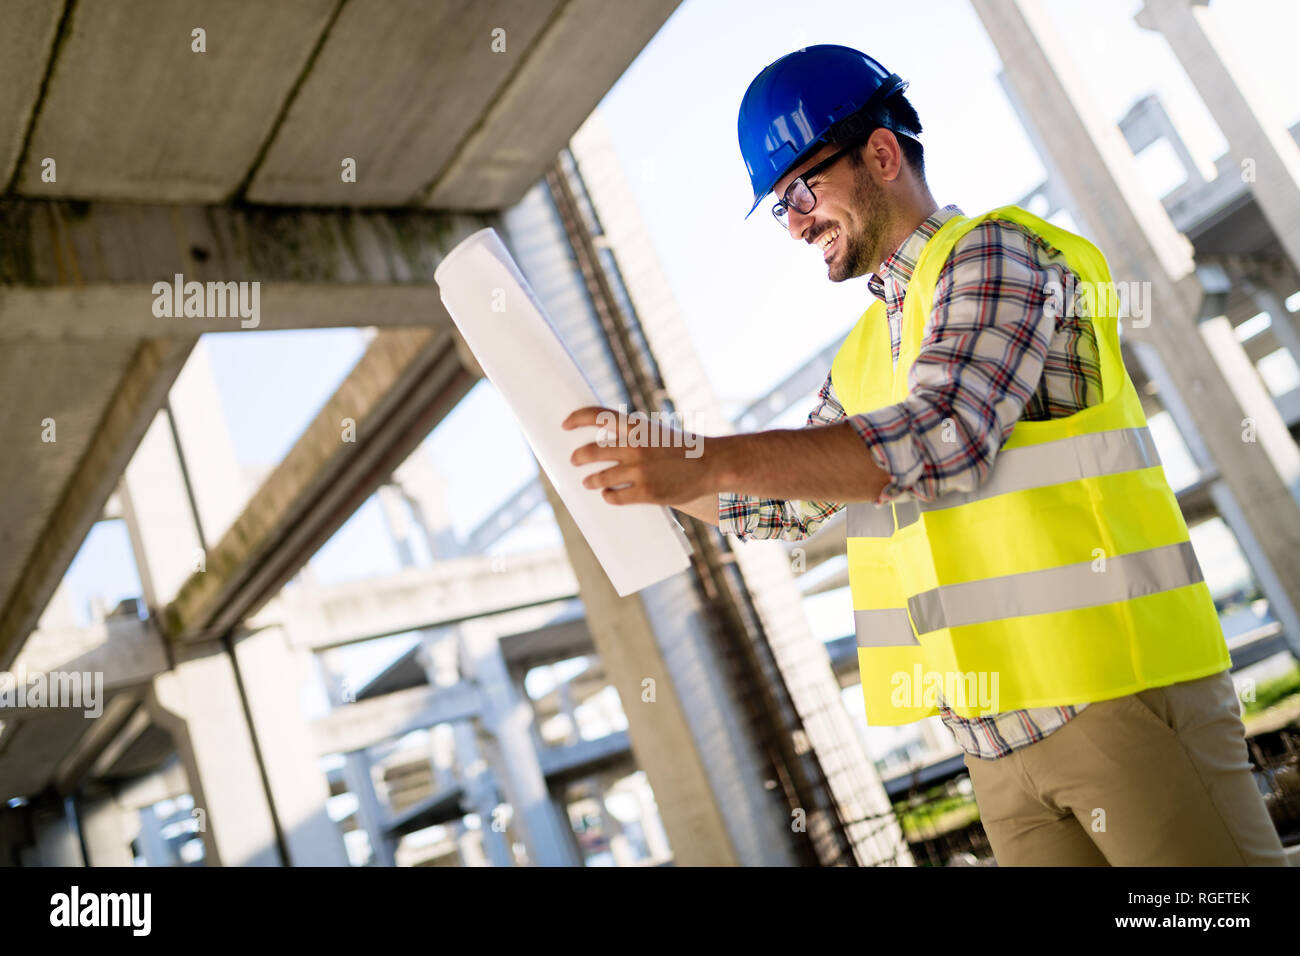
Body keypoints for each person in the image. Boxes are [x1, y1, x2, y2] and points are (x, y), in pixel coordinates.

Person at [562, 44, 1286, 866]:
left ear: (880, 152)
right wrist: (644, 473)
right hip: (995, 748)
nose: (794, 222)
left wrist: (710, 459)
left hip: (1119, 699)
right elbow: (775, 506)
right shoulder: (868, 353)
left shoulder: (998, 254)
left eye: (801, 188)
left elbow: (948, 433)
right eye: (779, 205)